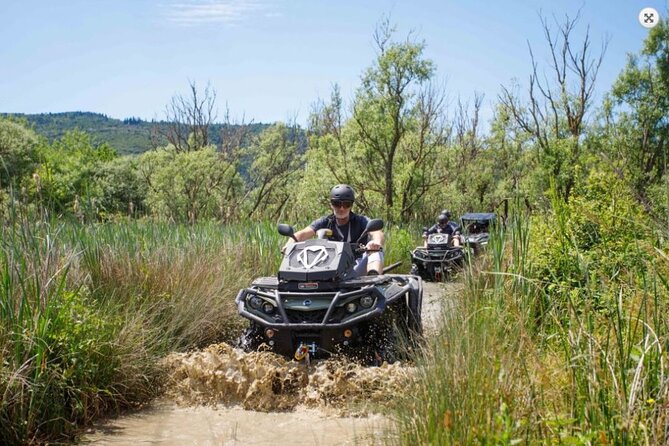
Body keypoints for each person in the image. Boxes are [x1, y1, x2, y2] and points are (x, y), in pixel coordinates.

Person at [281, 184, 384, 276]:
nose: (342, 208)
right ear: (331, 204)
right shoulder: (324, 222)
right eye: (337, 204)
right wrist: (288, 245)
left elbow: (377, 232)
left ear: (351, 205)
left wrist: (376, 242)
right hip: (330, 269)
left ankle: (373, 277)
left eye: (346, 204)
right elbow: (302, 234)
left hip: (357, 267)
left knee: (375, 250)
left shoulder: (361, 220)